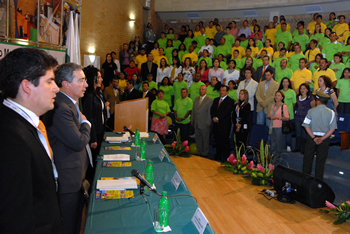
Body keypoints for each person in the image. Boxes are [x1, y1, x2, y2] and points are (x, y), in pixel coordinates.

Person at [0, 48, 62, 233]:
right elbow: (14, 217)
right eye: (50, 81)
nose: (56, 88)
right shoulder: (10, 138)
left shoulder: (23, 124)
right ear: (27, 86)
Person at [43, 62, 92, 234]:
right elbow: (78, 141)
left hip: (76, 176)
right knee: (68, 227)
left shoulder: (71, 104)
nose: (86, 84)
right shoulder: (60, 108)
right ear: (66, 84)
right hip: (67, 181)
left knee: (76, 224)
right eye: (81, 80)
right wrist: (86, 123)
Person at [302, 91, 337, 180]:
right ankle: (318, 183)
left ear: (318, 101)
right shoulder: (332, 113)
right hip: (324, 139)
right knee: (320, 162)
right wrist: (322, 138)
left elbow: (306, 125)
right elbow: (332, 129)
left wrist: (314, 137)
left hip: (311, 137)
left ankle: (305, 181)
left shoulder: (311, 111)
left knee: (307, 160)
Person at [211, 85, 235, 162]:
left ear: (227, 92)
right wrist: (213, 117)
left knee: (224, 141)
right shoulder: (216, 99)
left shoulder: (230, 101)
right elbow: (212, 110)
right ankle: (218, 155)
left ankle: (225, 158)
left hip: (224, 124)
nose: (221, 92)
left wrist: (218, 118)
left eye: (223, 90)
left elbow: (226, 111)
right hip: (216, 124)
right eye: (221, 90)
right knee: (217, 140)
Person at [267, 91, 290, 163]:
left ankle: (278, 161)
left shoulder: (284, 106)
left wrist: (277, 118)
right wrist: (270, 116)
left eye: (279, 95)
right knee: (273, 144)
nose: (276, 97)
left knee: (278, 145)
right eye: (276, 95)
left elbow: (287, 118)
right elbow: (271, 114)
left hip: (279, 127)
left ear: (282, 98)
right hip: (272, 127)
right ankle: (273, 160)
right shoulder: (273, 105)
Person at [191, 85, 213, 156]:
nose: (201, 91)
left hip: (204, 123)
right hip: (196, 122)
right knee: (198, 138)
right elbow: (193, 110)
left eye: (203, 89)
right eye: (200, 89)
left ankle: (205, 152)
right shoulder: (196, 99)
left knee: (205, 139)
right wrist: (192, 119)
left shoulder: (209, 100)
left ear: (206, 90)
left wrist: (208, 122)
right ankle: (199, 151)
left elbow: (210, 112)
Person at [293, 83, 315, 153]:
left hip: (306, 119)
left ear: (307, 89)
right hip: (298, 118)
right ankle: (297, 148)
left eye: (304, 88)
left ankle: (304, 149)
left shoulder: (310, 98)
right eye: (301, 88)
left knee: (304, 134)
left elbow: (313, 109)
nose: (302, 90)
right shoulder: (298, 97)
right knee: (298, 134)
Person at [280, 78, 296, 152]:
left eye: (286, 82)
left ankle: (289, 145)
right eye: (284, 82)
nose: (285, 83)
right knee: (280, 131)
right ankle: (281, 145)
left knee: (288, 131)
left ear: (289, 83)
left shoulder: (292, 92)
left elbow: (294, 103)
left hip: (289, 115)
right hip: (280, 115)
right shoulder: (280, 92)